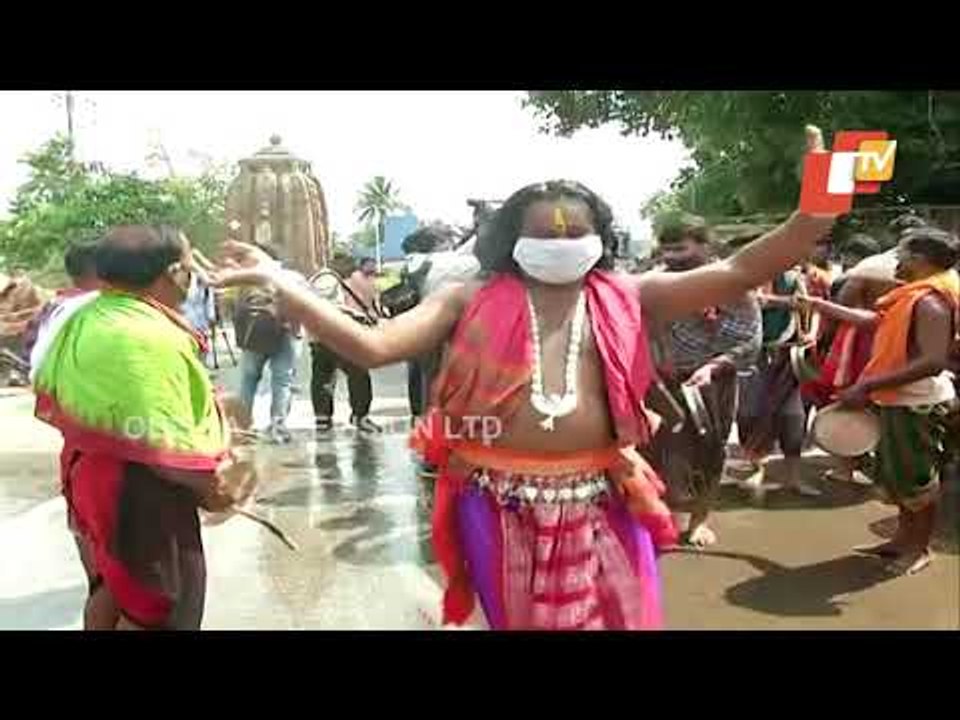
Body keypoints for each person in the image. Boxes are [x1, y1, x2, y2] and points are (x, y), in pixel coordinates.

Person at [214, 132, 835, 630]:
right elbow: (371, 346)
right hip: (500, 503)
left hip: (604, 497)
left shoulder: (631, 294)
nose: (561, 242)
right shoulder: (467, 297)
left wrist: (815, 213)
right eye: (545, 233)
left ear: (600, 239)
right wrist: (282, 282)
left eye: (575, 232)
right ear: (513, 240)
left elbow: (739, 269)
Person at [31, 225, 241, 630]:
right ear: (172, 273)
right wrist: (217, 488)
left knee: (109, 588)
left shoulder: (85, 316)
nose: (193, 274)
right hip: (136, 492)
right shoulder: (143, 336)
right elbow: (165, 448)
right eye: (188, 264)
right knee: (159, 608)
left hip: (90, 476)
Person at [799, 225, 960, 576]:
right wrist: (820, 305)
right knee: (899, 479)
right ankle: (901, 540)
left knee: (918, 482)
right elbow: (874, 321)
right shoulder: (910, 295)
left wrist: (868, 385)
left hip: (918, 405)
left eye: (902, 255)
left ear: (922, 261)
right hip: (897, 401)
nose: (895, 262)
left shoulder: (931, 302)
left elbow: (932, 361)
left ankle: (919, 549)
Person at [645, 217, 761, 548]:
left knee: (711, 451)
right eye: (667, 249)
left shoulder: (732, 286)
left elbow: (750, 339)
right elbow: (641, 328)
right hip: (662, 381)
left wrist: (715, 366)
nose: (672, 256)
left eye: (680, 248)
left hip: (715, 382)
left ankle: (699, 521)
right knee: (658, 451)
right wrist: (654, 360)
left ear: (704, 245)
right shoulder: (656, 284)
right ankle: (661, 520)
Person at [737, 255, 823, 498]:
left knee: (793, 418)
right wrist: (781, 302)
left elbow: (807, 305)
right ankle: (757, 470)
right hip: (750, 357)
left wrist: (811, 333)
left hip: (786, 357)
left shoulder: (793, 278)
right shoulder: (743, 279)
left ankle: (794, 478)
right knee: (749, 415)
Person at [234, 243, 302, 444]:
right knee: (282, 381)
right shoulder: (289, 276)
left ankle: (242, 425)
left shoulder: (247, 281)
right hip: (284, 332)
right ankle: (277, 425)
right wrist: (296, 330)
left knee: (248, 380)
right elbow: (298, 304)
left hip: (254, 335)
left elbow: (238, 310)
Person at [308, 252, 381, 434]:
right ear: (338, 264)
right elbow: (325, 306)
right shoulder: (327, 280)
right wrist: (354, 315)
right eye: (349, 268)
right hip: (332, 336)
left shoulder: (327, 279)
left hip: (322, 337)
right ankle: (359, 416)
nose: (351, 273)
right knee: (358, 372)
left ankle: (323, 418)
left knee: (323, 377)